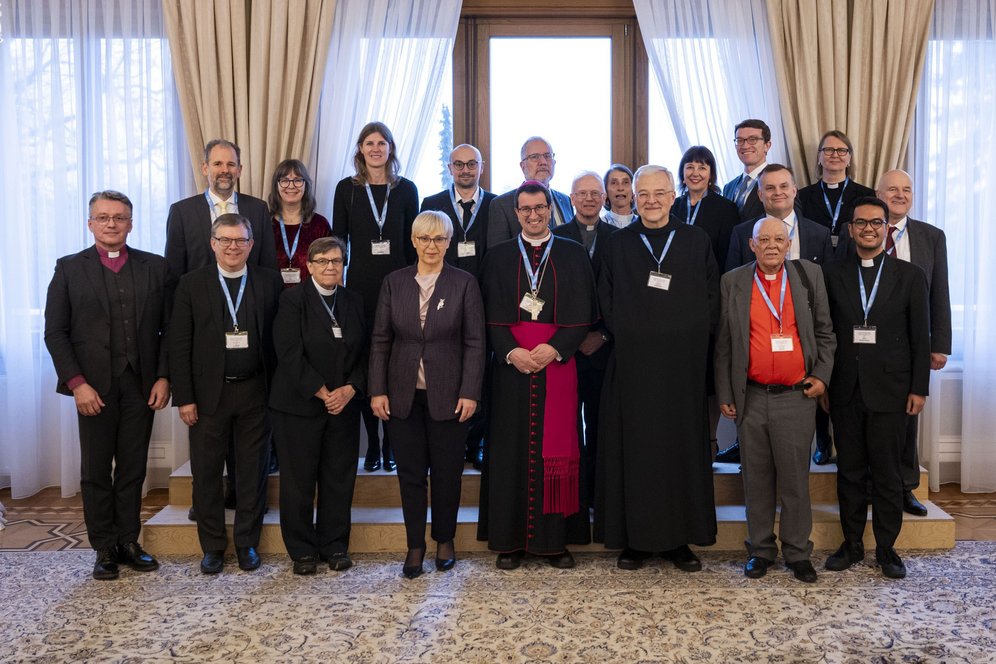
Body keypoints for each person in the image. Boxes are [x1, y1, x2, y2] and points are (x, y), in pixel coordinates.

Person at [595, 165, 718, 571]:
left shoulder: (695, 239)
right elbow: (606, 299)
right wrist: (638, 337)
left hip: (681, 369)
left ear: (672, 195)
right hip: (633, 367)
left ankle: (679, 540)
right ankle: (635, 540)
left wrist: (682, 340)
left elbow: (710, 299)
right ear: (633, 196)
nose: (651, 201)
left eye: (659, 193)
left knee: (681, 452)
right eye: (643, 193)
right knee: (635, 452)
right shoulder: (617, 243)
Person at [44, 190, 170, 580]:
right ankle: (103, 547)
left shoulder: (155, 267)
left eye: (119, 217)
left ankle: (128, 541)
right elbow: (55, 333)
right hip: (92, 388)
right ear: (90, 223)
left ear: (131, 223)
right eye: (103, 217)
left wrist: (164, 376)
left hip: (141, 385)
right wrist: (77, 384)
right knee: (96, 469)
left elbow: (170, 330)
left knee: (133, 468)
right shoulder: (69, 268)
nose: (111, 224)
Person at [478, 181, 597, 570]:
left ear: (550, 209)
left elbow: (584, 314)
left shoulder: (572, 253)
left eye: (540, 208)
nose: (533, 215)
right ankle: (509, 542)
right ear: (516, 213)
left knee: (559, 451)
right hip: (512, 369)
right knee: (509, 451)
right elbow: (486, 316)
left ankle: (554, 542)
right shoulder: (498, 256)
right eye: (526, 209)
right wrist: (510, 352)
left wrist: (555, 348)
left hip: (556, 366)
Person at [714, 217, 836, 583]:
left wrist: (822, 377)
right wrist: (725, 392)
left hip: (796, 396)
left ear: (788, 243)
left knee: (795, 480)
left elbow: (825, 333)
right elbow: (724, 344)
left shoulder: (809, 276)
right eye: (763, 239)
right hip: (751, 396)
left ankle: (798, 552)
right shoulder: (733, 281)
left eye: (778, 239)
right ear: (752, 245)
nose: (771, 245)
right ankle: (761, 550)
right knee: (756, 479)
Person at [165, 138, 278, 516]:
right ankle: (207, 500)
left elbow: (266, 269)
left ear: (240, 170)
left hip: (248, 330)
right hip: (204, 332)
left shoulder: (258, 210)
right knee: (208, 438)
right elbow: (173, 275)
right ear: (205, 168)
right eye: (217, 164)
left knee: (247, 437)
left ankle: (242, 497)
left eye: (231, 164)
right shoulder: (182, 212)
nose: (224, 171)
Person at [369, 211, 485, 579]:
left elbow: (475, 342)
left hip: (450, 394)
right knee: (411, 474)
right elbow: (380, 340)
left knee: (448, 473)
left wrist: (470, 391)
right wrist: (377, 390)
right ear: (413, 241)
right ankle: (415, 545)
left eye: (438, 239)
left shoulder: (464, 283)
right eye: (424, 238)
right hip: (401, 395)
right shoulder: (394, 282)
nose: (431, 246)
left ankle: (445, 540)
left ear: (449, 242)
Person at [822, 197, 931, 579]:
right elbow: (825, 333)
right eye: (861, 223)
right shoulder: (831, 274)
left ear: (887, 229)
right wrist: (824, 382)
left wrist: (919, 388)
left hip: (892, 391)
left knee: (887, 474)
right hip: (845, 389)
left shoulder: (910, 275)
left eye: (876, 223)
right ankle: (852, 543)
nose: (868, 229)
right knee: (850, 472)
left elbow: (920, 337)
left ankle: (886, 548)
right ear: (850, 229)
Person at [169, 214, 284, 575]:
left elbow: (281, 341)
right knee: (206, 473)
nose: (233, 247)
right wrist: (184, 397)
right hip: (207, 397)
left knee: (252, 472)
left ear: (251, 244)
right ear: (213, 243)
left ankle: (247, 543)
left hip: (256, 392)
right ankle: (213, 546)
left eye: (240, 240)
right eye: (226, 240)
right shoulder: (191, 284)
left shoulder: (270, 281)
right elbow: (179, 344)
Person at [837, 170, 951, 516]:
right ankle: (870, 489)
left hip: (906, 347)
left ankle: (905, 487)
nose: (900, 195)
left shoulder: (931, 236)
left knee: (905, 423)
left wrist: (939, 343)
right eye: (893, 189)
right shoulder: (857, 231)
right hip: (862, 352)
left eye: (907, 189)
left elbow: (939, 292)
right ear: (879, 194)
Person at [719, 164, 834, 465]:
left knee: (794, 473)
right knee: (755, 474)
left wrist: (822, 372)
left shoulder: (818, 235)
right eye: (769, 188)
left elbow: (825, 319)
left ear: (795, 190)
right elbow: (727, 329)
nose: (777, 192)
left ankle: (824, 443)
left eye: (784, 186)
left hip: (799, 380)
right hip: (753, 383)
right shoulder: (742, 236)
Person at [268, 236, 367, 575]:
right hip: (299, 406)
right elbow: (288, 351)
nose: (330, 266)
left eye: (336, 261)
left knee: (339, 478)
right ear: (309, 265)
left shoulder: (354, 301)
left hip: (344, 406)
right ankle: (302, 550)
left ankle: (335, 545)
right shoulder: (292, 300)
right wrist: (323, 392)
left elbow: (366, 352)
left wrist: (350, 389)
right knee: (298, 481)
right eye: (323, 260)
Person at [332, 121, 419, 474]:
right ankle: (372, 445)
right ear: (360, 149)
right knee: (368, 361)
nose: (376, 149)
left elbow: (413, 243)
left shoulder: (406, 189)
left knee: (397, 362)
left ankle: (391, 444)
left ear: (391, 148)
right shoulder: (347, 189)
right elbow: (339, 241)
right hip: (360, 289)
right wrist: (337, 285)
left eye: (382, 143)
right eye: (369, 143)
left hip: (400, 286)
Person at [420, 144, 495, 469]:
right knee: (445, 365)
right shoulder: (431, 203)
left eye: (471, 164)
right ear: (450, 168)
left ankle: (475, 442)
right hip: (443, 298)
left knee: (480, 370)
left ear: (481, 167)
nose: (465, 170)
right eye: (459, 164)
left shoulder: (496, 204)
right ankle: (443, 439)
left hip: (484, 299)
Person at [553, 171, 617, 505]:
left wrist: (603, 334)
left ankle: (597, 496)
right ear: (572, 199)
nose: (589, 199)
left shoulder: (619, 239)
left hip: (604, 349)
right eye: (582, 193)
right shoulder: (555, 237)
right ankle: (571, 496)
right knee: (566, 427)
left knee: (600, 424)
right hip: (565, 350)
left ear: (604, 198)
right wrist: (572, 337)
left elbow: (624, 294)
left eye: (595, 193)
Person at [486, 136, 574, 246]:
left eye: (547, 156)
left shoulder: (565, 200)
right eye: (535, 157)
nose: (543, 162)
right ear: (523, 166)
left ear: (554, 162)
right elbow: (497, 253)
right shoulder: (501, 205)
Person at [796, 130, 875, 249]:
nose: (835, 155)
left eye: (841, 150)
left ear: (849, 158)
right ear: (819, 157)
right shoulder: (802, 196)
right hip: (815, 256)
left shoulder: (866, 195)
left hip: (853, 256)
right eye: (828, 150)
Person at [671, 146, 741, 272]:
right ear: (682, 173)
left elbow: (727, 256)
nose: (695, 173)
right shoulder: (672, 206)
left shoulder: (726, 209)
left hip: (709, 277)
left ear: (711, 175)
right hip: (674, 275)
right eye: (690, 167)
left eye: (702, 168)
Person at [267, 159, 331, 288]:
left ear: (305, 185)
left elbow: (329, 266)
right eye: (284, 180)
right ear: (276, 186)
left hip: (310, 296)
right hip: (271, 294)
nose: (291, 186)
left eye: (297, 180)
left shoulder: (320, 224)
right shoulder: (265, 223)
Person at [722, 119, 771, 222]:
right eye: (740, 140)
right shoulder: (728, 187)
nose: (745, 146)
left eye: (752, 139)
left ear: (767, 146)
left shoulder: (779, 181)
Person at [602, 164, 636, 228]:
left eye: (625, 182)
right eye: (614, 183)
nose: (620, 188)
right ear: (606, 191)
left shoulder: (644, 225)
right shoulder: (599, 226)